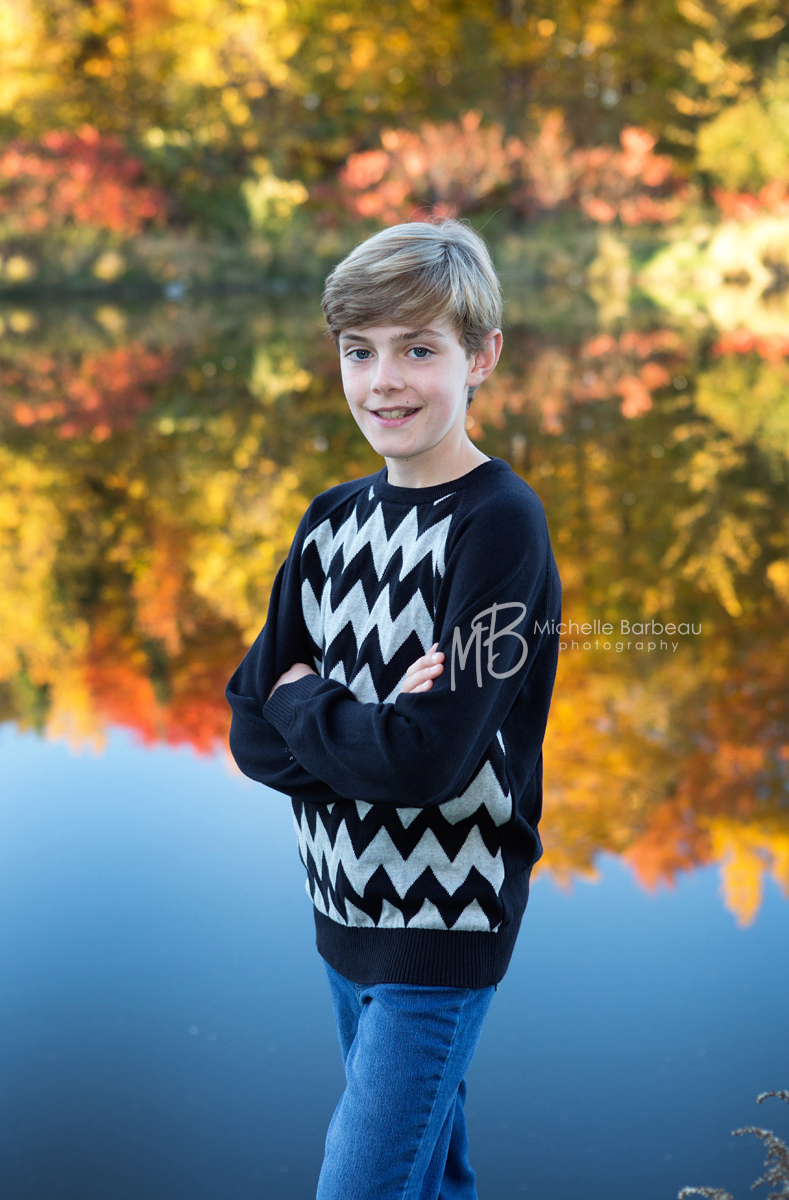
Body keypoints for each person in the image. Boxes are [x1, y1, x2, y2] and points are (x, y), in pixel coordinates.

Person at [225, 217, 562, 1200]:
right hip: (338, 906)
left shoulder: (499, 526)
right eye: (359, 351)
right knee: (429, 1173)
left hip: (440, 926)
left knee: (361, 1185)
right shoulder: (330, 520)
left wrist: (307, 695)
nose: (384, 382)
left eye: (419, 350)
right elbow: (247, 731)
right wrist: (367, 722)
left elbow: (426, 764)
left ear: (481, 356)